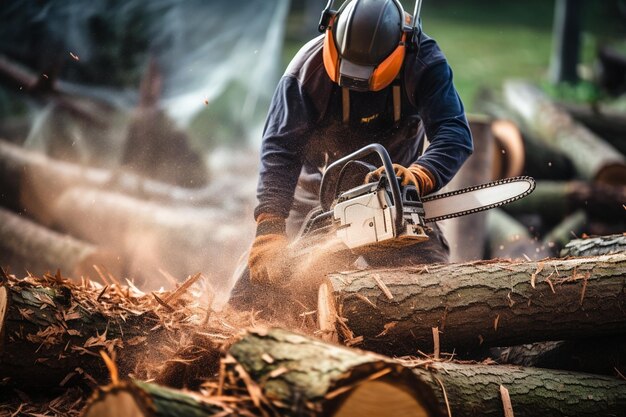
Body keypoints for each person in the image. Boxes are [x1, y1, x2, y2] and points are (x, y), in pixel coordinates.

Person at [247, 0, 473, 285]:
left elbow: (454, 133)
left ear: (402, 45)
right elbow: (281, 149)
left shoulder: (424, 64)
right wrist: (270, 226)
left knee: (426, 287)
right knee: (265, 290)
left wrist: (419, 176)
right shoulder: (307, 70)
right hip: (317, 193)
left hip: (394, 193)